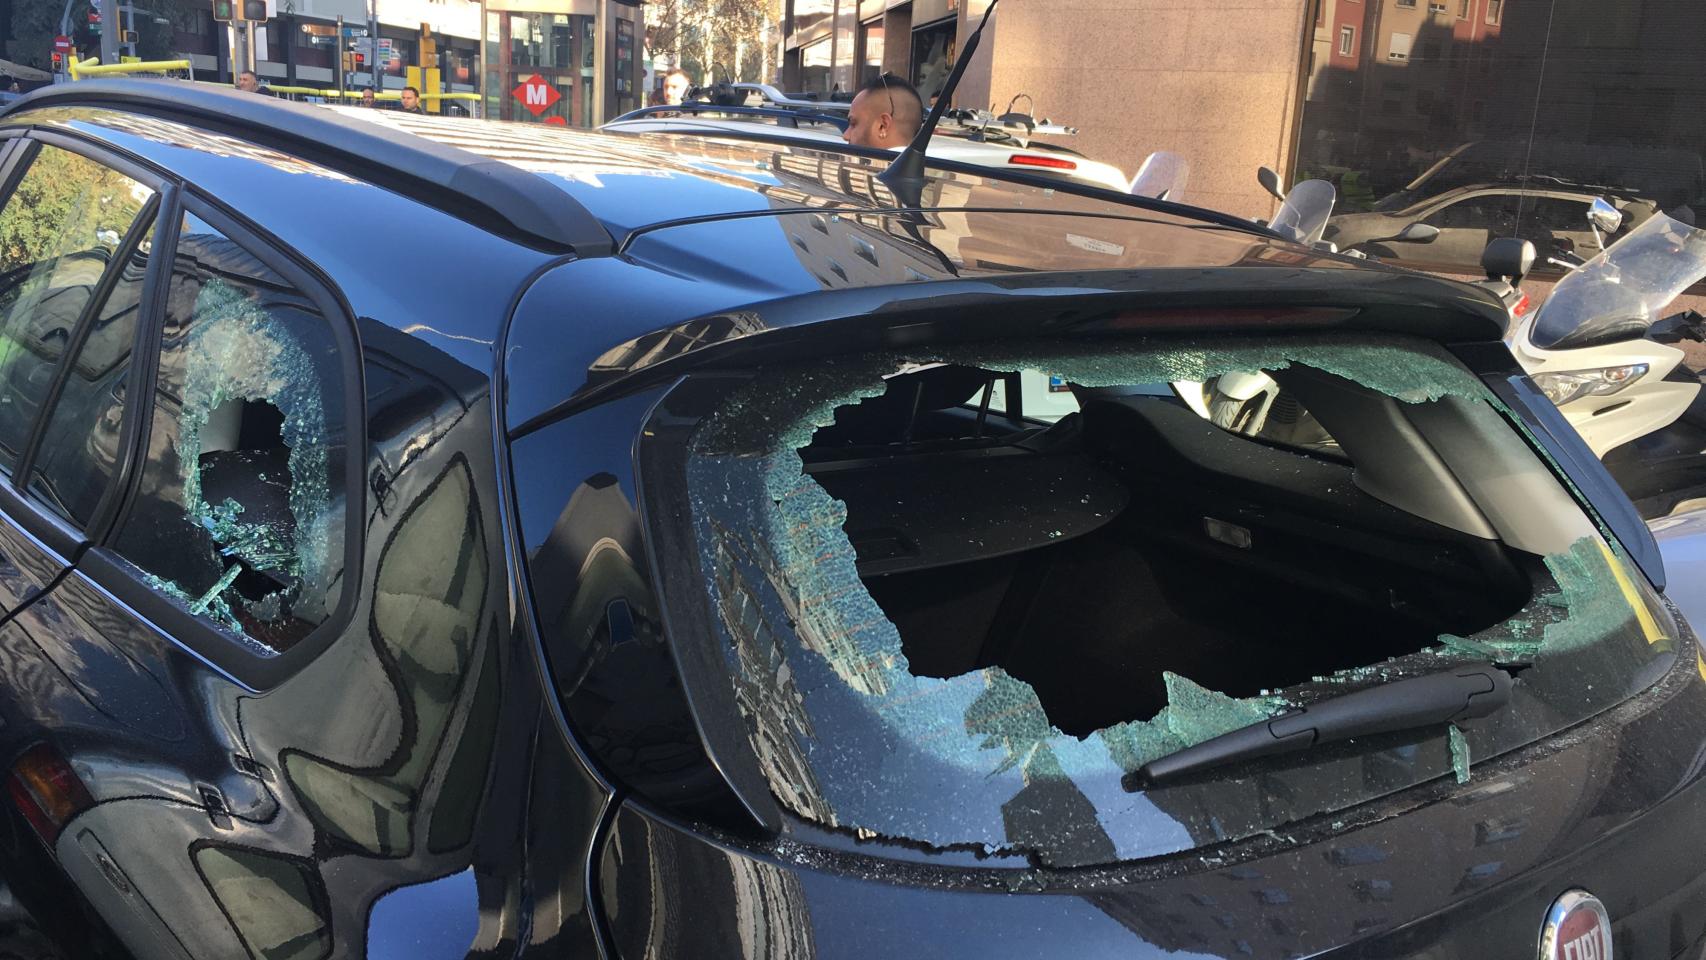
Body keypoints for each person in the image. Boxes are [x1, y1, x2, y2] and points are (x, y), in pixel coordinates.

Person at [842, 73, 922, 150]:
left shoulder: (872, 163)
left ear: (883, 125)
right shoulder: (925, 162)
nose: (846, 136)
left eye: (853, 124)